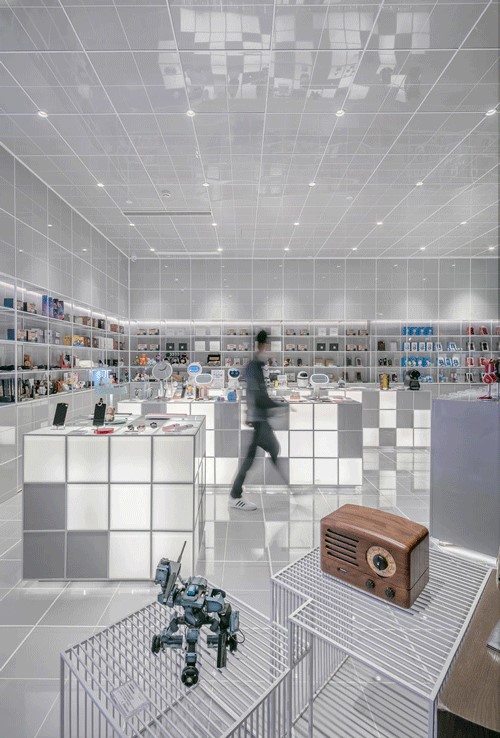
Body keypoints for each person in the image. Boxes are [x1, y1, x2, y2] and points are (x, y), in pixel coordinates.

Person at [229, 330, 286, 511]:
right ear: (262, 346)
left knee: (260, 453)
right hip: (260, 419)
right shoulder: (255, 367)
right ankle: (235, 495)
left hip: (258, 418)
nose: (268, 350)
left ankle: (236, 493)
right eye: (267, 347)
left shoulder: (256, 366)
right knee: (268, 451)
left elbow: (252, 393)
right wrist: (280, 405)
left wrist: (249, 413)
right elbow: (259, 396)